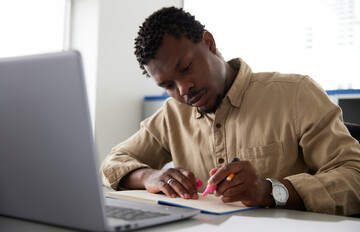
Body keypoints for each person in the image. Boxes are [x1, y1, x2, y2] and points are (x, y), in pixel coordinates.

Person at [100, 6, 360, 215]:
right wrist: (151, 176)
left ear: (209, 42)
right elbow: (112, 163)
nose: (184, 90)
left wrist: (270, 191)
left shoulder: (296, 94)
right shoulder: (172, 115)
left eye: (186, 67)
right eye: (168, 85)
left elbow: (353, 176)